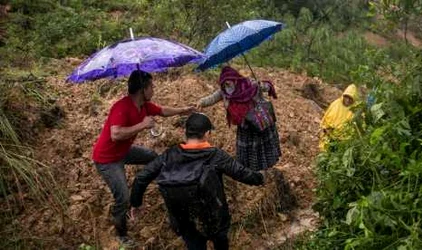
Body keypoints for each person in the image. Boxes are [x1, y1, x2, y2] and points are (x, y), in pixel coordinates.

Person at [129, 113, 265, 250]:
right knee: (220, 240)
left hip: (183, 219)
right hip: (214, 216)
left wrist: (136, 203)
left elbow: (142, 177)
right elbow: (241, 173)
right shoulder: (215, 155)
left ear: (185, 132)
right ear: (207, 134)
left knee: (194, 243)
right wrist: (262, 178)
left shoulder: (170, 154)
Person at [92, 69, 194, 247]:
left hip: (123, 152)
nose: (153, 90)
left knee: (153, 158)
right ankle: (121, 234)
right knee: (123, 197)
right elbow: (115, 134)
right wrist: (142, 125)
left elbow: (162, 111)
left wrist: (183, 110)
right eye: (151, 87)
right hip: (107, 159)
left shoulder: (145, 105)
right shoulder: (121, 107)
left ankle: (162, 188)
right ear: (142, 90)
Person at [196, 66, 281, 171]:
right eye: (225, 82)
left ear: (235, 78)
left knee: (262, 147)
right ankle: (250, 171)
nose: (228, 84)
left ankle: (267, 168)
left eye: (230, 81)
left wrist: (260, 85)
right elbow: (212, 98)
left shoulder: (248, 83)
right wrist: (201, 102)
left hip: (259, 120)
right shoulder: (224, 91)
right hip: (245, 124)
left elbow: (267, 86)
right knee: (249, 150)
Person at [320, 84, 359, 151]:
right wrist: (326, 128)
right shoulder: (336, 104)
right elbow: (327, 117)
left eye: (350, 98)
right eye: (347, 97)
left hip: (343, 141)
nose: (348, 100)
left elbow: (356, 127)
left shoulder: (355, 110)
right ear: (344, 96)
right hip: (329, 135)